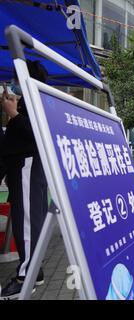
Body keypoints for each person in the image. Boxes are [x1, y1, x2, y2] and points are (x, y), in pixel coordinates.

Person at [0, 60, 48, 299]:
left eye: (16, 79)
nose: (12, 84)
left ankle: (25, 275)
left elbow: (34, 133)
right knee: (28, 220)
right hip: (23, 167)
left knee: (27, 222)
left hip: (29, 165)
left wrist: (13, 114)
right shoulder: (29, 102)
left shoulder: (35, 102)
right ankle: (33, 270)